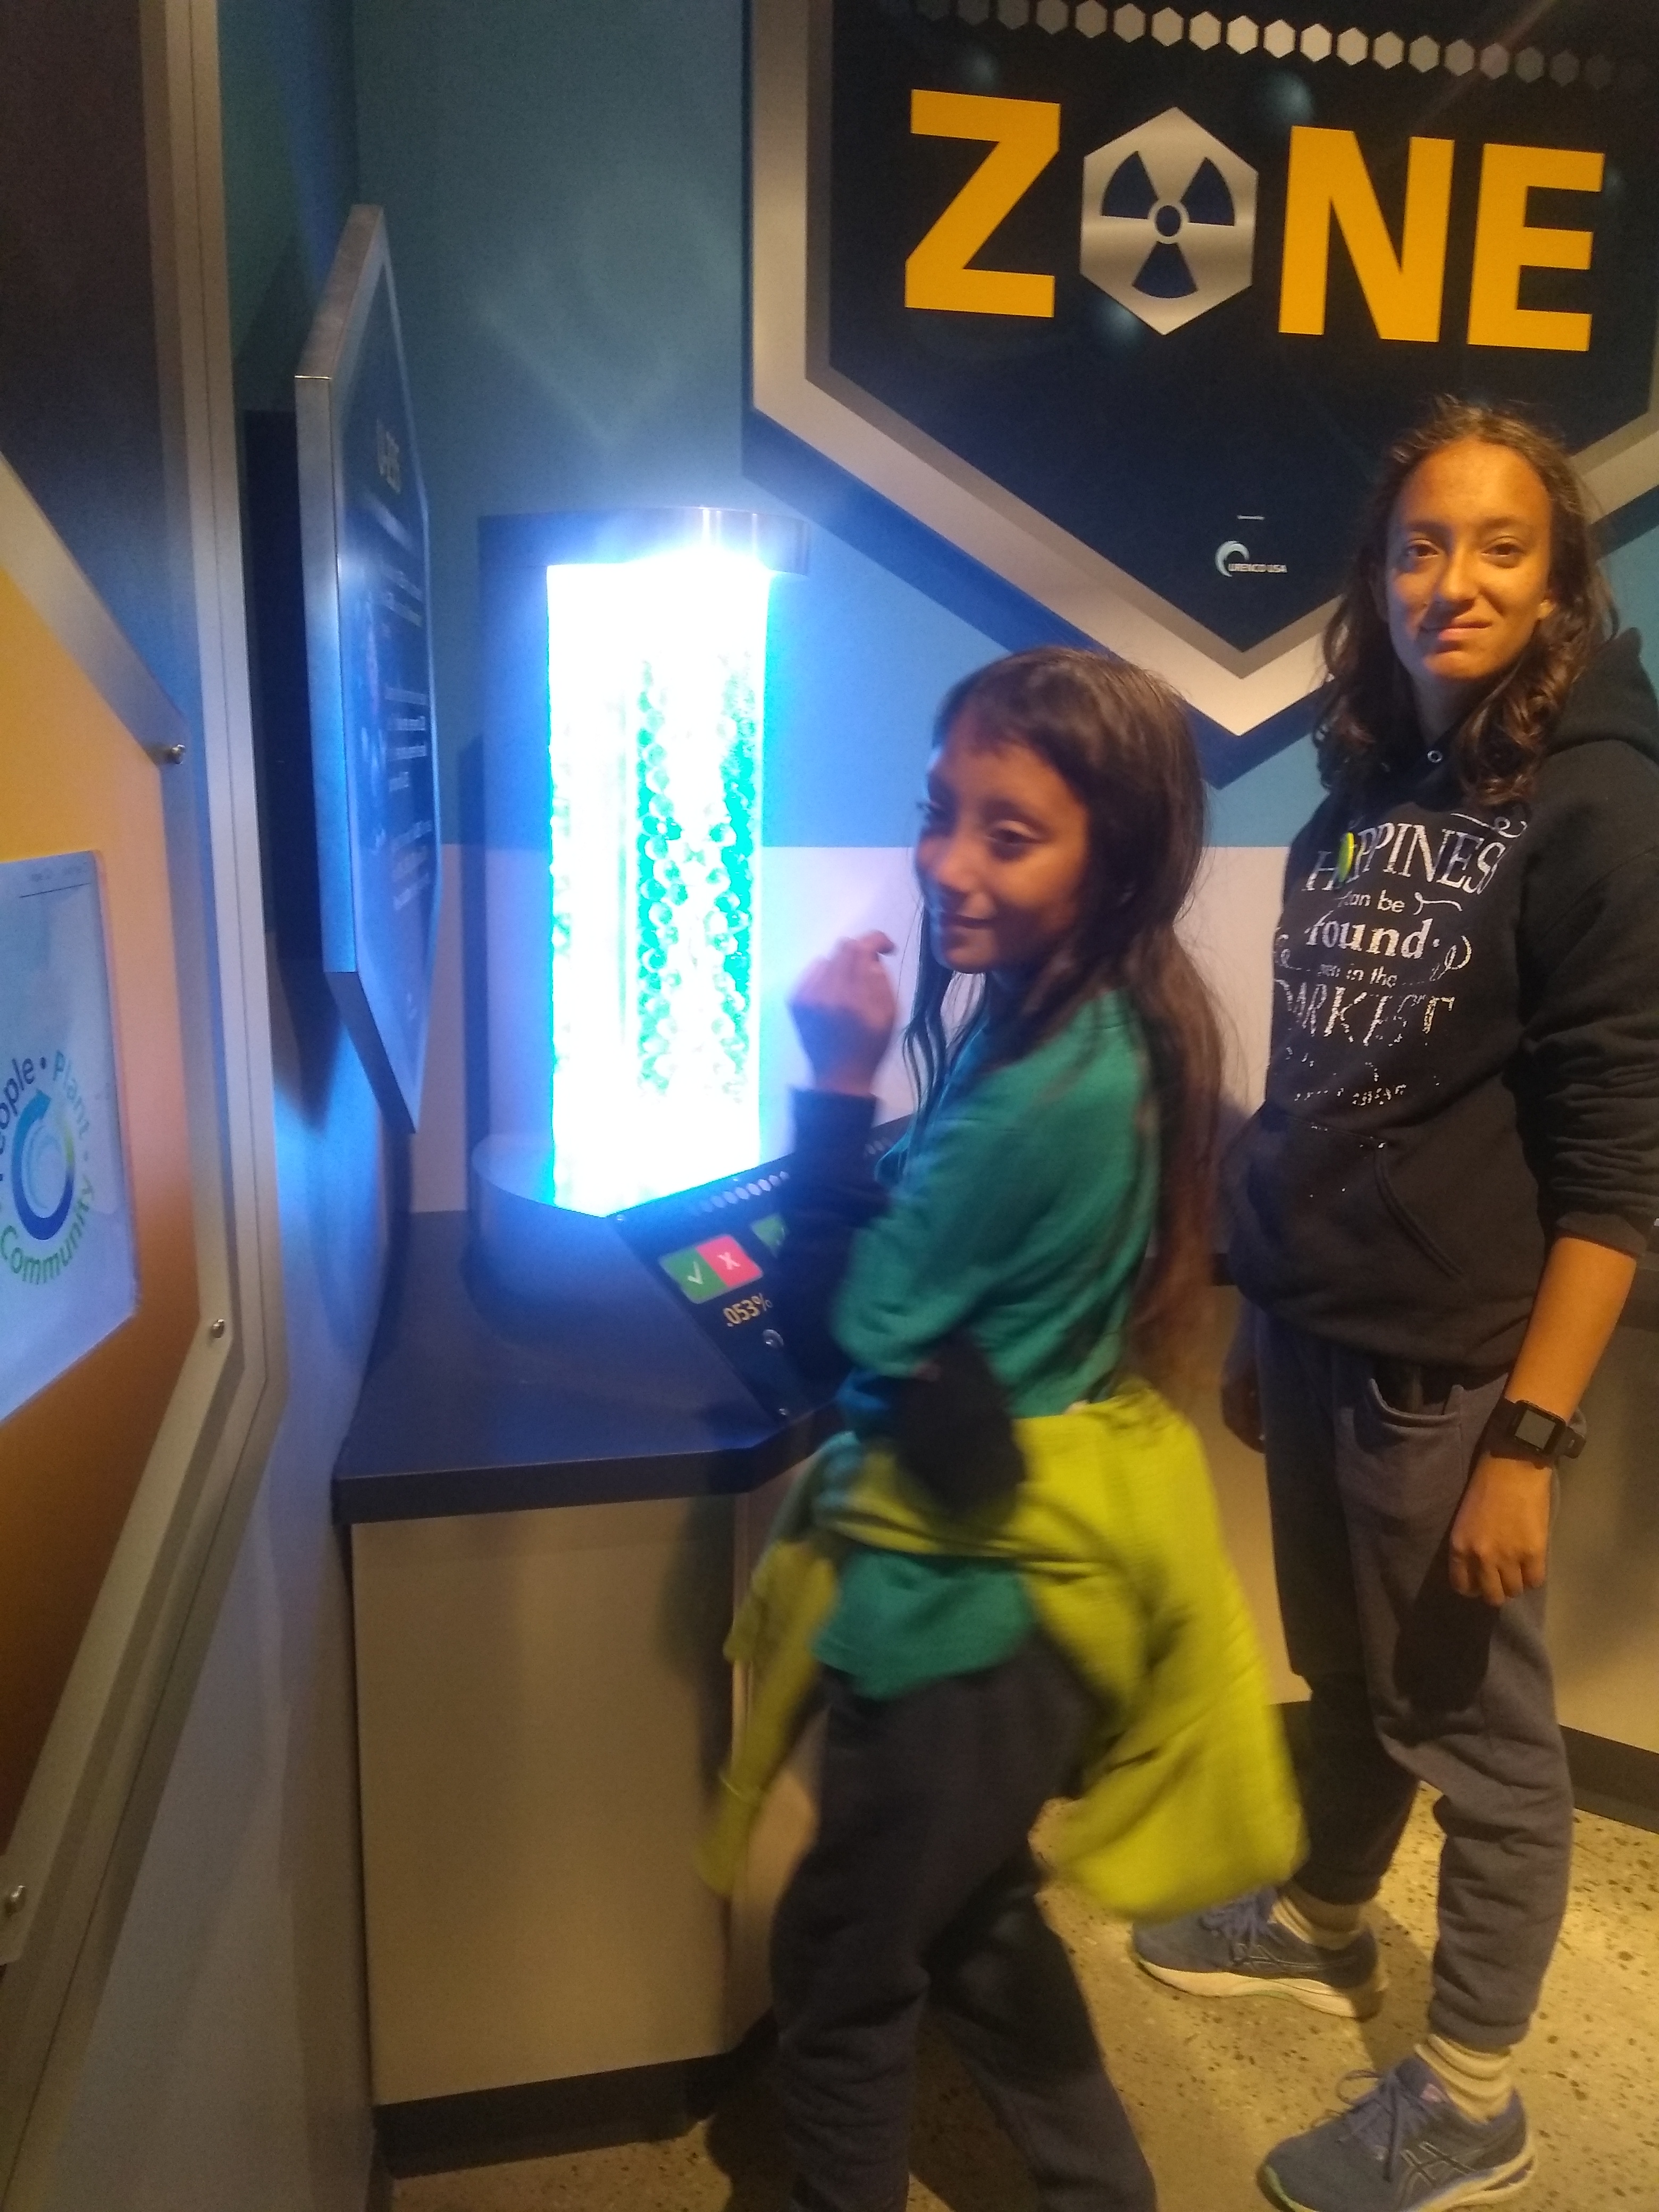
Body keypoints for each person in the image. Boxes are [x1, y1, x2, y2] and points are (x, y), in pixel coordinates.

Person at [1131, 400, 1659, 2211]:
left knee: (1480, 1742)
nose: (1458, 580)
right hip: (1320, 1324)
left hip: (1452, 1376)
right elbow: (1329, 1081)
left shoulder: (1602, 806)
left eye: (1504, 546)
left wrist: (1529, 1442)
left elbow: (1618, 1171)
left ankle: (1477, 2098)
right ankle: (1325, 1914)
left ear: (1561, 581)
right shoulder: (1369, 783)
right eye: (1423, 545)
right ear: (1376, 575)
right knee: (1346, 1679)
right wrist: (1267, 1305)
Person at [741, 646, 1295, 2212]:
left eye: (1010, 832)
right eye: (941, 813)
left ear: (1111, 858)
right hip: (1035, 1591)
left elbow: (835, 1327)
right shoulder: (1104, 1024)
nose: (948, 865)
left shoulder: (1037, 1095)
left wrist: (835, 1086)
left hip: (966, 1613)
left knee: (840, 1975)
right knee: (974, 1918)